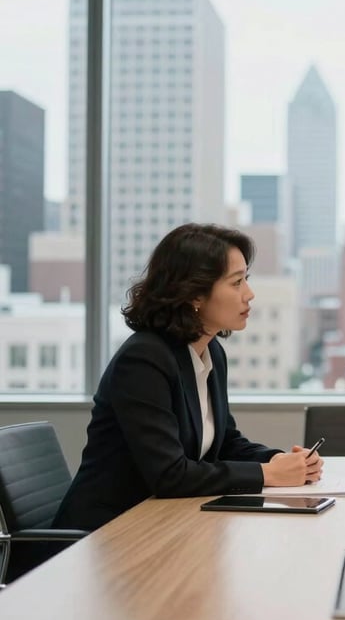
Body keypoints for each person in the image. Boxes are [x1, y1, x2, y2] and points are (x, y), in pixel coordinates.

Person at [54, 223, 323, 531]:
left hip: (161, 524)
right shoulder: (144, 359)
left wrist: (281, 461)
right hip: (103, 535)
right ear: (195, 294)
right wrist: (267, 474)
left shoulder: (210, 352)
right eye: (236, 283)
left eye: (245, 280)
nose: (249, 294)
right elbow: (170, 475)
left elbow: (225, 443)